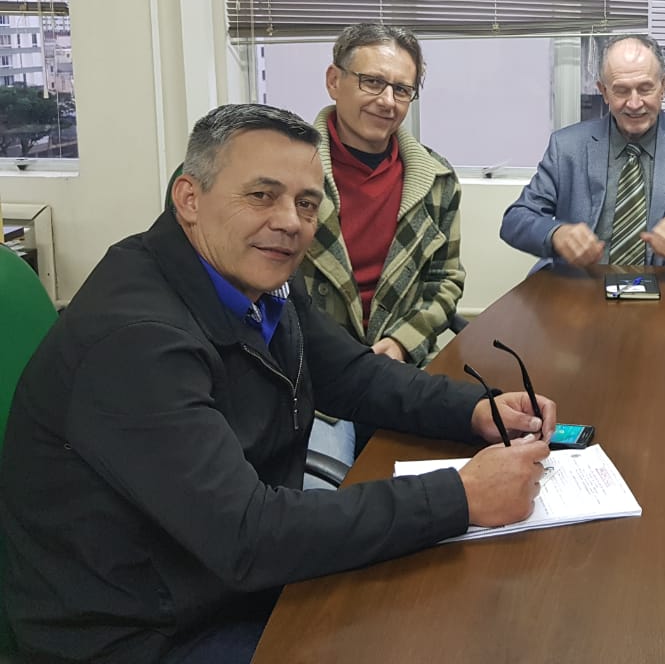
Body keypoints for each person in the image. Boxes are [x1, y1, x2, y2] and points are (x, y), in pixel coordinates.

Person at [0, 104, 554, 664]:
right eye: (262, 195)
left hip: (219, 580)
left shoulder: (258, 281)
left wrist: (475, 409)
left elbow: (352, 373)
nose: (290, 222)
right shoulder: (136, 341)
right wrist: (460, 495)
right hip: (143, 633)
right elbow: (246, 535)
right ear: (189, 198)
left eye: (306, 203)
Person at [299, 23, 465, 469]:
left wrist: (400, 343)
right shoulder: (287, 172)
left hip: (401, 370)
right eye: (372, 82)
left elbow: (445, 281)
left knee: (444, 480)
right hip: (311, 380)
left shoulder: (436, 179)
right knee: (322, 493)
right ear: (334, 81)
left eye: (402, 90)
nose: (387, 101)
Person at [500, 34, 665, 270]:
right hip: (582, 282)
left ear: (663, 87)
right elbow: (516, 219)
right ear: (604, 91)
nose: (634, 103)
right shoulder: (567, 147)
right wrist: (556, 234)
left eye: (645, 88)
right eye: (621, 90)